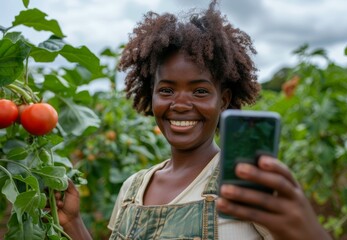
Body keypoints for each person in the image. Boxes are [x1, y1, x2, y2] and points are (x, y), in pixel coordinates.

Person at [56, 0, 332, 239]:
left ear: (222, 100)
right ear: (150, 95)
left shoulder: (245, 184)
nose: (180, 104)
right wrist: (73, 223)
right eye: (166, 90)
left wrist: (309, 230)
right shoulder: (133, 187)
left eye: (200, 91)